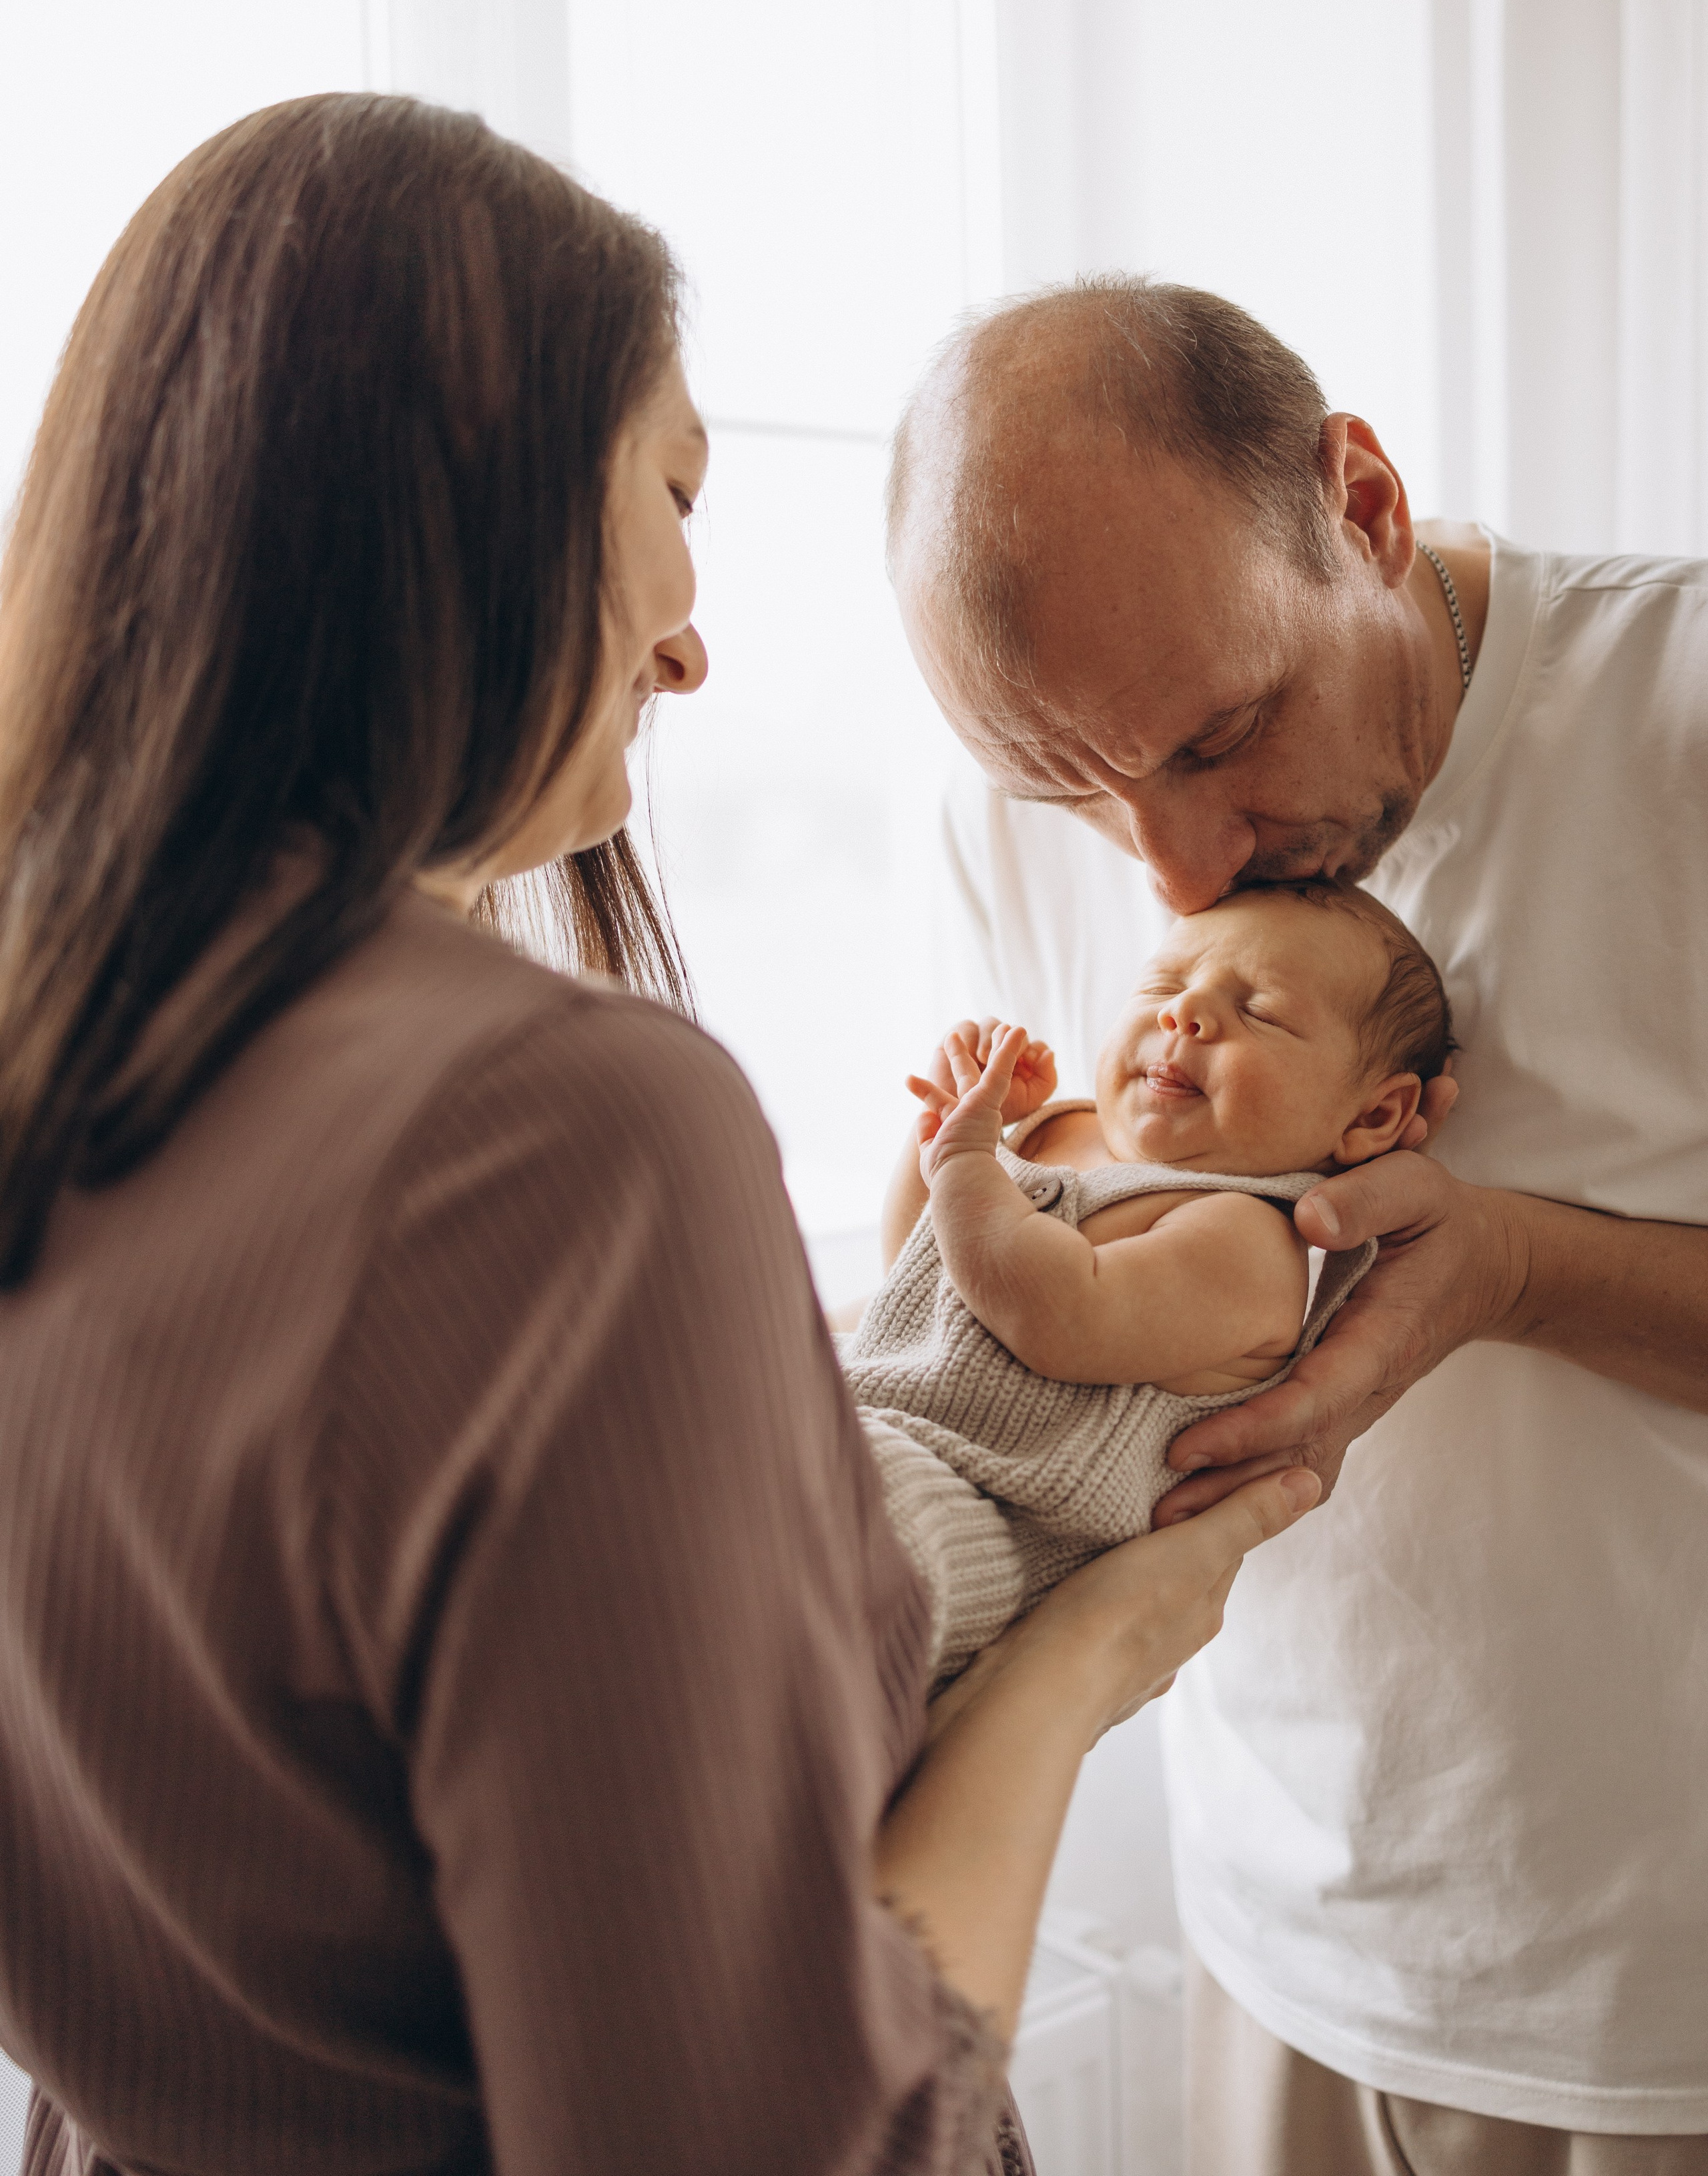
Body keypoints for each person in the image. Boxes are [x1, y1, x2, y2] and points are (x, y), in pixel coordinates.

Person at [0, 107, 1319, 2176]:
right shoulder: (556, 1138)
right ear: (461, 505)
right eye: (674, 489)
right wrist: (1084, 1655)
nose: (692, 633)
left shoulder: (60, 1067)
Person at [885, 276, 1708, 2173]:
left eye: (1218, 737)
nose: (1169, 874)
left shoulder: (1673, 721)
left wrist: (1515, 1266)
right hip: (1272, 1939)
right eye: (1072, 791)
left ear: (1365, 501)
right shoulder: (1009, 810)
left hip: (1665, 2016)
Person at [846, 885, 1449, 1688]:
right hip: (875, 1430)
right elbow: (916, 1272)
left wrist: (963, 1166)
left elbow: (1061, 1315)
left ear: (1371, 1117)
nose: (1185, 1013)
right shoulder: (1053, 1130)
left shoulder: (1245, 1238)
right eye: (1164, 987)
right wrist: (947, 1134)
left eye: (1261, 1011)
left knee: (813, 1519)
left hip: (988, 1523)